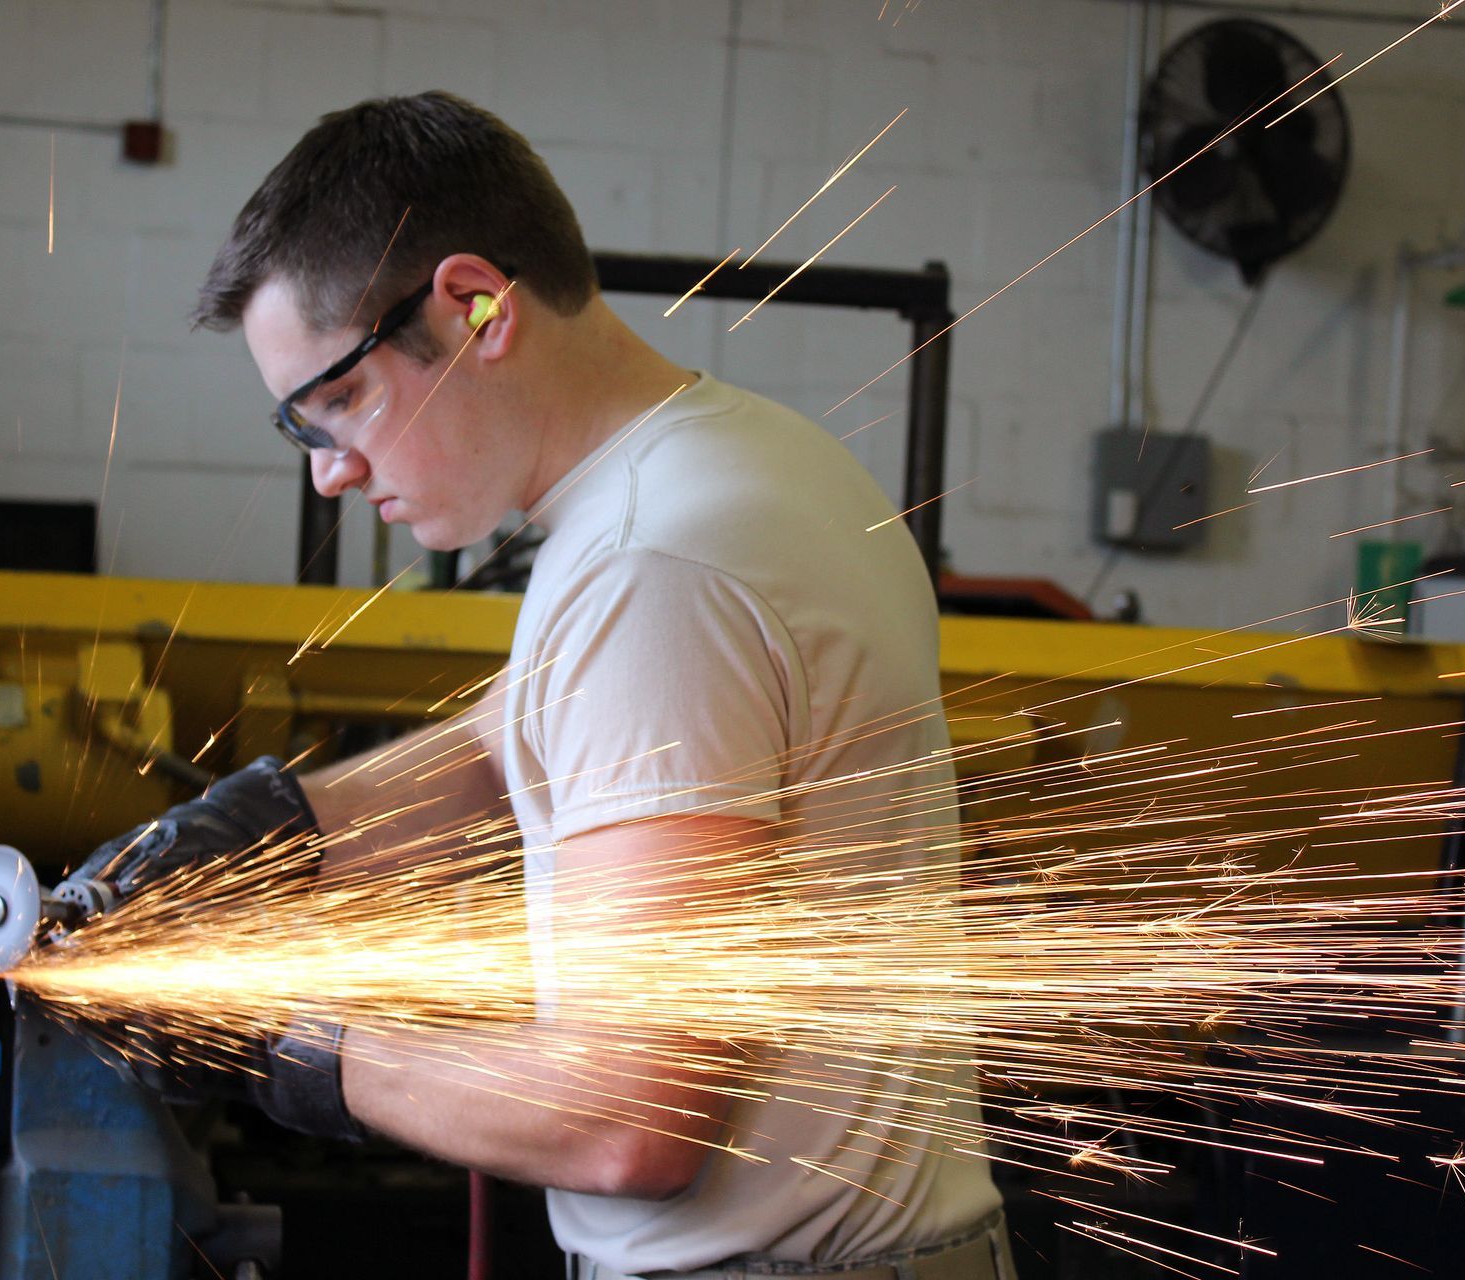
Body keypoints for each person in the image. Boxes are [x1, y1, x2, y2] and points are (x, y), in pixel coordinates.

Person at [66, 91, 1014, 1280]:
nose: (331, 472)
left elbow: (627, 1119)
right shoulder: (747, 464)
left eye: (341, 401)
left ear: (474, 308)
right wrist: (271, 832)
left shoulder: (650, 562)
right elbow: (529, 730)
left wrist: (287, 1043)